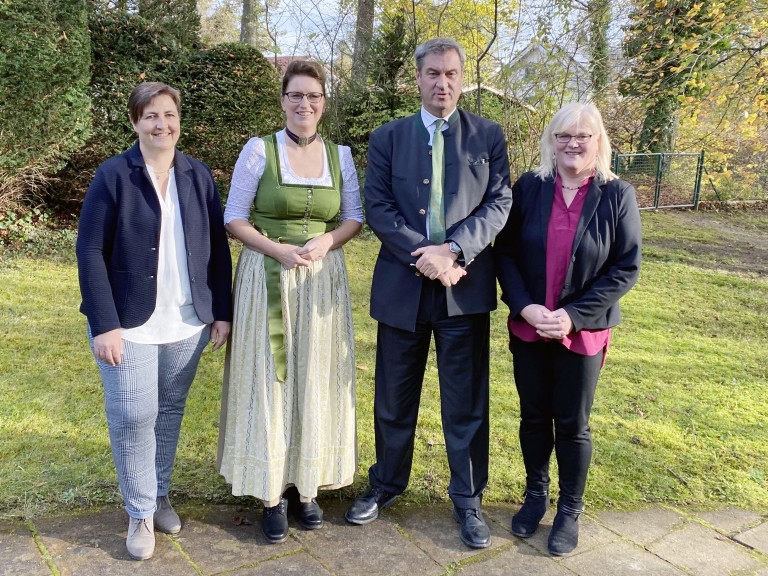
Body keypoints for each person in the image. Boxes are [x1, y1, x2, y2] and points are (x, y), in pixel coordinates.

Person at [344, 38, 512, 550]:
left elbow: (500, 201)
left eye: (452, 74)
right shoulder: (388, 137)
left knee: (465, 403)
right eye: (434, 74)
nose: (443, 83)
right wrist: (427, 254)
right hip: (403, 288)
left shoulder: (488, 135)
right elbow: (378, 207)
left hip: (465, 291)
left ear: (462, 79)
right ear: (417, 79)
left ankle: (467, 499)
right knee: (394, 398)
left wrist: (455, 250)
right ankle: (387, 484)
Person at [76, 82, 233, 561]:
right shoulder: (114, 175)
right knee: (132, 417)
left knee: (167, 412)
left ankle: (159, 492)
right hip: (129, 323)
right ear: (135, 123)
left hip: (185, 321)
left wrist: (220, 312)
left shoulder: (198, 175)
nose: (161, 124)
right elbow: (88, 251)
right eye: (151, 116)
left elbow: (217, 249)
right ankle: (140, 511)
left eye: (169, 114)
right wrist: (104, 324)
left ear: (178, 119)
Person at [217, 60, 363, 545]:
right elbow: (234, 216)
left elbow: (353, 218)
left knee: (314, 374)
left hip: (322, 281)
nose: (305, 105)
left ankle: (307, 486)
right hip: (267, 275)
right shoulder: (259, 151)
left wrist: (327, 241)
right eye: (296, 96)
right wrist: (276, 248)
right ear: (283, 101)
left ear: (324, 103)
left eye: (313, 97)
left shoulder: (341, 156)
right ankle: (271, 493)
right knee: (269, 375)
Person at [493, 102, 641, 556]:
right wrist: (525, 307)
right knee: (534, 417)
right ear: (550, 142)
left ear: (599, 142)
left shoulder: (617, 195)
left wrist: (572, 316)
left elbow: (625, 268)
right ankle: (535, 495)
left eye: (583, 136)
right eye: (563, 136)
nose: (573, 143)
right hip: (531, 327)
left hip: (583, 332)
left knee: (573, 425)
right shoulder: (530, 188)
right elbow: (506, 253)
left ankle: (569, 510)